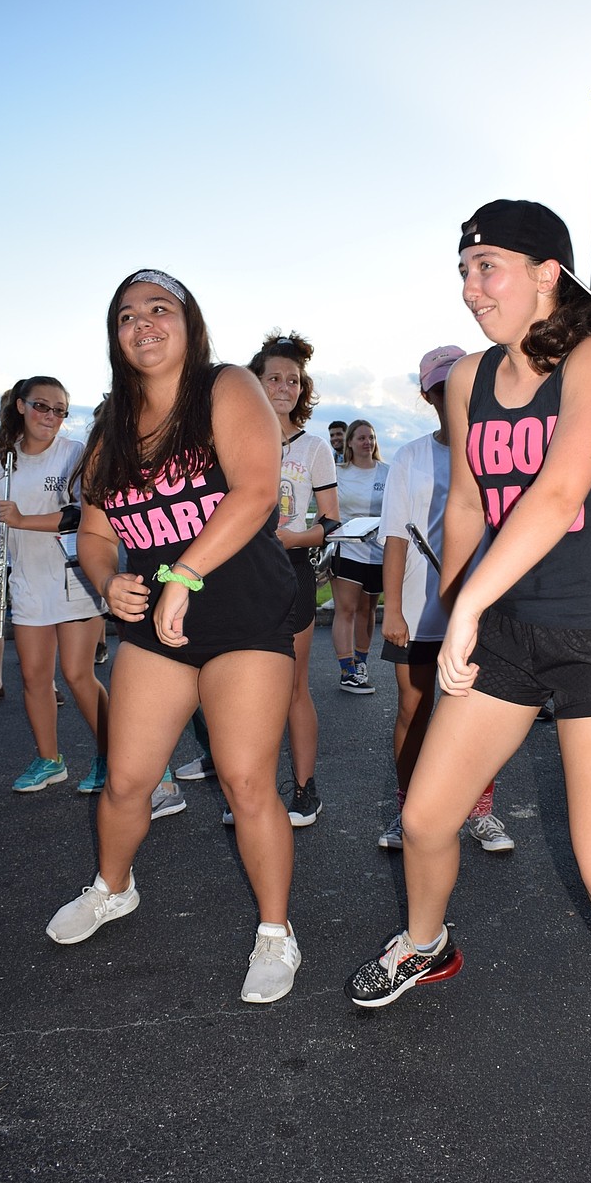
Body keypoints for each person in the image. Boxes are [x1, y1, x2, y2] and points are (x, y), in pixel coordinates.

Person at [346, 200, 591, 1164]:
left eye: (489, 266)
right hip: (507, 631)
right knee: (427, 817)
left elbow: (559, 493)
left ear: (548, 271)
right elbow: (471, 503)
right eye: (463, 269)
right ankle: (426, 943)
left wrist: (468, 604)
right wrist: (460, 608)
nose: (471, 286)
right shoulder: (470, 378)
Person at [45, 269, 301, 1005]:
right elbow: (96, 535)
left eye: (160, 308)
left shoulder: (227, 387)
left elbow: (256, 489)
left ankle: (276, 931)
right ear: (115, 337)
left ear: (190, 325)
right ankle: (112, 887)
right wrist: (107, 582)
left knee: (245, 780)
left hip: (243, 617)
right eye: (127, 315)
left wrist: (184, 572)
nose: (143, 323)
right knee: (127, 779)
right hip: (156, 626)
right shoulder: (111, 430)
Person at [376, 344, 513, 854]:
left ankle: (480, 810)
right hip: (418, 610)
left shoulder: (497, 447)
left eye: (459, 384)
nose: (449, 396)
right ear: (427, 395)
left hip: (480, 609)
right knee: (413, 711)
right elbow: (394, 537)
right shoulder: (411, 456)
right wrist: (392, 608)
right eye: (439, 389)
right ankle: (407, 810)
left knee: (477, 716)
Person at [0, 379, 109, 790]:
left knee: (77, 674)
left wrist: (22, 520)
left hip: (75, 576)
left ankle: (112, 759)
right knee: (35, 677)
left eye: (60, 410)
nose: (51, 417)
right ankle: (50, 761)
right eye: (42, 406)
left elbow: (84, 515)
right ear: (20, 406)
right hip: (27, 579)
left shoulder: (74, 453)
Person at [247, 330, 339, 825]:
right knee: (244, 689)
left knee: (293, 688)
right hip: (240, 576)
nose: (285, 387)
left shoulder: (315, 447)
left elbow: (330, 522)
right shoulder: (231, 440)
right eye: (274, 378)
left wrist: (293, 539)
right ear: (254, 383)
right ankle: (250, 793)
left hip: (292, 572)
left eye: (294, 380)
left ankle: (306, 789)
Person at [331, 419, 388, 693]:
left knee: (367, 610)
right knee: (346, 609)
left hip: (378, 552)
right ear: (350, 443)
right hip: (347, 548)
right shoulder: (338, 472)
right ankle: (347, 671)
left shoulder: (388, 473)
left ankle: (361, 663)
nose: (368, 442)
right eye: (362, 438)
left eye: (371, 437)